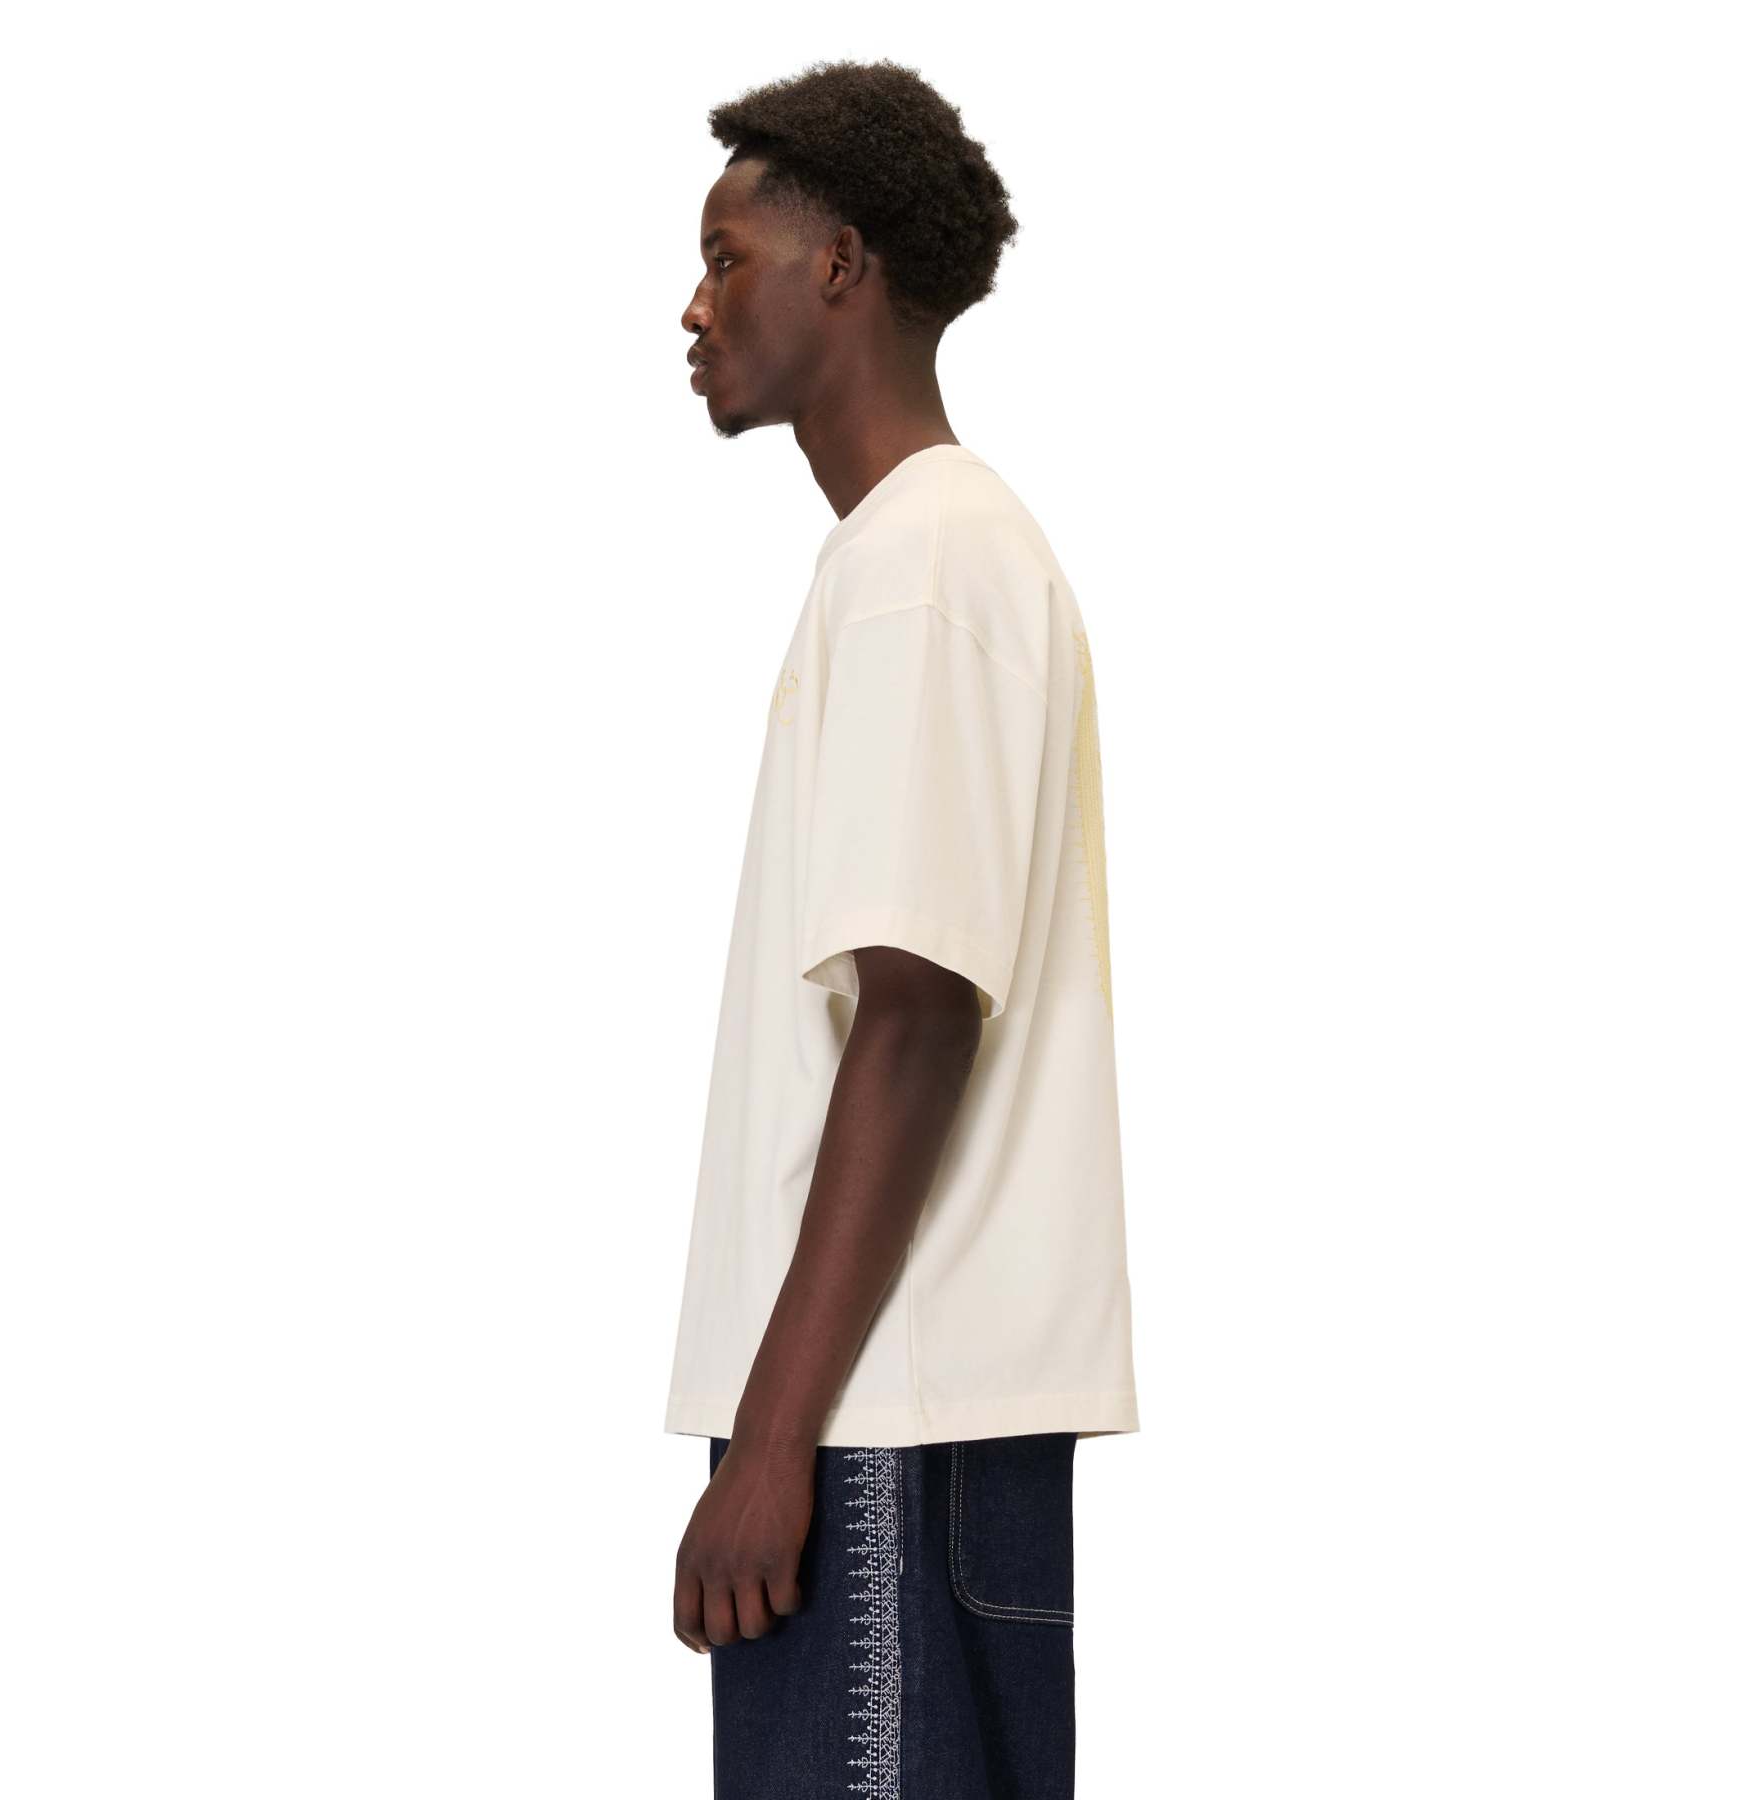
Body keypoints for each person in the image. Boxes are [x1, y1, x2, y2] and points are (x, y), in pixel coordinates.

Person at [664, 57, 1139, 1799]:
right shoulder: (939, 556)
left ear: (841, 268)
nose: (694, 307)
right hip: (918, 1426)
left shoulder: (920, 566)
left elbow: (921, 1010)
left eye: (727, 259)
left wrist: (773, 1441)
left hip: (874, 1431)